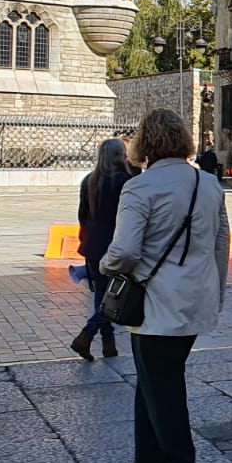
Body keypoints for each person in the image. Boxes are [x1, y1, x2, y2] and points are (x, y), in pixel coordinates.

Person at [101, 109, 230, 463]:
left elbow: (124, 250)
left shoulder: (141, 188)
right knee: (153, 379)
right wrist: (216, 291)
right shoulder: (208, 184)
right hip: (196, 298)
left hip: (155, 302)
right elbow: (221, 244)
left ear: (144, 142)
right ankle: (148, 458)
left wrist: (105, 266)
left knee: (164, 384)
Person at [73, 138, 134, 361]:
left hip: (92, 245)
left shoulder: (89, 181)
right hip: (115, 245)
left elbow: (82, 215)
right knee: (113, 299)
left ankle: (109, 345)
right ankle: (86, 335)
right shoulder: (126, 182)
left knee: (102, 295)